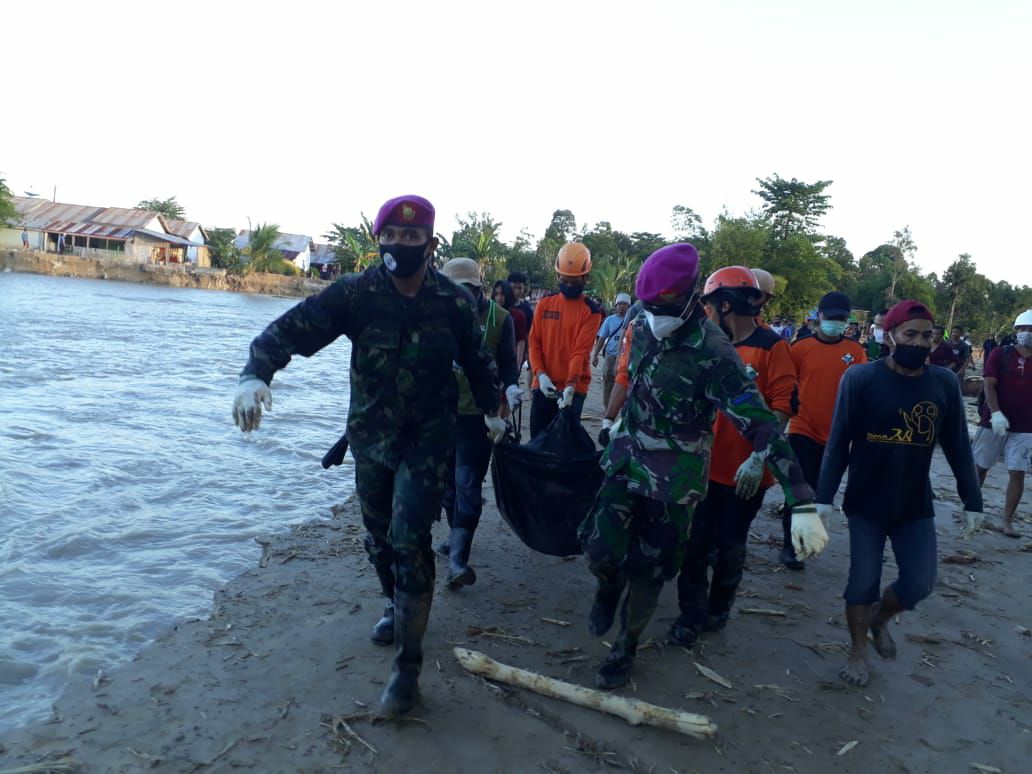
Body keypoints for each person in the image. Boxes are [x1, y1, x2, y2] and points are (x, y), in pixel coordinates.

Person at [231, 195, 504, 717]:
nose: (401, 244)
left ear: (429, 241)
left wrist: (493, 408)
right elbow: (294, 328)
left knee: (409, 539)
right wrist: (255, 374)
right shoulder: (357, 294)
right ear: (380, 239)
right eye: (393, 236)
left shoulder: (452, 300)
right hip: (371, 440)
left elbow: (477, 357)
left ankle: (408, 667)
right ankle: (392, 602)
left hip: (427, 440)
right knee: (379, 539)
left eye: (412, 236)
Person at [580, 244, 825, 690]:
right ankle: (606, 585)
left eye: (663, 306)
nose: (654, 315)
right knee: (600, 550)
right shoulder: (641, 322)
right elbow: (631, 380)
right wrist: (614, 422)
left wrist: (802, 500)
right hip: (627, 461)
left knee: (651, 571)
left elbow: (762, 424)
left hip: (675, 481)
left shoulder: (714, 352)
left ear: (694, 296)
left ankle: (625, 649)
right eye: (647, 305)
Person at [816, 300, 983, 687]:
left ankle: (880, 619)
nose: (920, 342)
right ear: (889, 336)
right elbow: (839, 442)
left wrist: (972, 501)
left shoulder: (942, 383)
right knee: (862, 581)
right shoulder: (860, 379)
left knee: (920, 582)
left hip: (913, 503)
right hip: (865, 501)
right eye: (910, 334)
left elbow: (958, 446)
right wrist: (824, 497)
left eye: (928, 335)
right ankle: (858, 651)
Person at [669, 266, 800, 647]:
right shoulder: (707, 344)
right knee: (693, 546)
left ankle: (718, 609)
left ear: (727, 306)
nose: (706, 314)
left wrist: (760, 456)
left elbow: (783, 403)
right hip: (702, 468)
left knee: (730, 546)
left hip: (746, 473)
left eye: (711, 307)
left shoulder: (772, 347)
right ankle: (689, 616)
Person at [437, 259, 521, 587]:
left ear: (479, 288)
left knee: (468, 489)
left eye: (465, 291)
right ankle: (454, 537)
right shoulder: (438, 315)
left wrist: (511, 388)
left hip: (479, 418)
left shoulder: (501, 319)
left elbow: (508, 364)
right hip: (441, 416)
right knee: (446, 490)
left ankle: (458, 561)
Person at [782, 291, 868, 570]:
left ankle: (807, 539)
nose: (836, 323)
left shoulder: (856, 352)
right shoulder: (800, 348)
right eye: (831, 318)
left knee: (821, 491)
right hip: (802, 426)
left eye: (841, 319)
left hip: (837, 434)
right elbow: (786, 388)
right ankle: (791, 546)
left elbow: (862, 392)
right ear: (819, 316)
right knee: (799, 489)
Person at [527, 243, 603, 437]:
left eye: (574, 281)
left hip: (574, 389)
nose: (568, 286)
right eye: (564, 280)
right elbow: (534, 343)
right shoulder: (544, 305)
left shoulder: (591, 311)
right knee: (538, 441)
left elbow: (580, 351)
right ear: (557, 276)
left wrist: (570, 385)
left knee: (564, 445)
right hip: (543, 384)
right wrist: (540, 374)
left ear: (585, 277)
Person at [972, 310, 1032, 537]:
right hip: (993, 422)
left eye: (1031, 330)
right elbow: (989, 384)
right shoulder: (1000, 354)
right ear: (1016, 331)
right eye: (1023, 329)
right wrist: (996, 413)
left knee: (1018, 472)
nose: (1027, 333)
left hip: (1025, 426)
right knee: (980, 467)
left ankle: (1007, 521)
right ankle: (972, 509)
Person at [593, 292, 632, 409]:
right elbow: (602, 338)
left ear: (629, 307)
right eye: (619, 304)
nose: (621, 307)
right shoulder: (609, 320)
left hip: (626, 359)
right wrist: (595, 355)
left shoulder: (633, 320)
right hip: (610, 357)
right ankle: (607, 409)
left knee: (624, 385)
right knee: (608, 383)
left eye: (625, 304)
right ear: (615, 306)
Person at [492, 279, 528, 371]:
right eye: (496, 294)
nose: (499, 298)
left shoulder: (518, 315)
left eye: (502, 294)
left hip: (510, 360)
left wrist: (518, 363)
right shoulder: (490, 314)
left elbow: (521, 341)